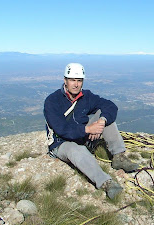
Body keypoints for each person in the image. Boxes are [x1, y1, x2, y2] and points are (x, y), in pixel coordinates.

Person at [43, 63, 138, 199]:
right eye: (72, 80)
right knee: (76, 150)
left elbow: (110, 106)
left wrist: (102, 121)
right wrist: (88, 129)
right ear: (65, 81)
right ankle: (105, 182)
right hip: (61, 143)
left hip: (81, 138)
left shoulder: (86, 96)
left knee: (104, 115)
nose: (76, 84)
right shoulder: (52, 101)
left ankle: (118, 157)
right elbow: (61, 129)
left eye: (79, 80)